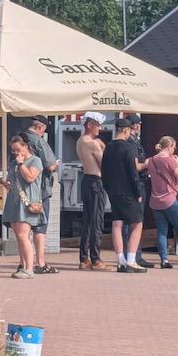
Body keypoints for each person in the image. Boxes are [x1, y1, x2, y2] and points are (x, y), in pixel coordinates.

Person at [101, 117, 145, 273]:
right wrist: (138, 192)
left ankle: (121, 261)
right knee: (137, 223)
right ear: (126, 130)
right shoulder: (128, 147)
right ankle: (131, 260)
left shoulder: (108, 147)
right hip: (127, 191)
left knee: (117, 224)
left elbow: (103, 170)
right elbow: (133, 172)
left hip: (113, 190)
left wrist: (107, 188)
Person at [147, 136, 178, 269]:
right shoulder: (170, 160)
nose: (175, 149)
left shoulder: (151, 160)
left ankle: (164, 260)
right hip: (170, 199)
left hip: (155, 200)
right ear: (169, 146)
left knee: (162, 231)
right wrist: (177, 162)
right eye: (174, 147)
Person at [21, 115, 59, 274]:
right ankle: (40, 263)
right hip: (39, 189)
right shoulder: (39, 141)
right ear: (41, 127)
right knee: (39, 227)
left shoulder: (19, 139)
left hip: (22, 190)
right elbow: (50, 166)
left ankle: (23, 263)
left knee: (23, 229)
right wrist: (56, 165)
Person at [1, 134, 43, 279]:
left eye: (18, 149)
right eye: (13, 150)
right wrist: (7, 184)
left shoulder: (35, 161)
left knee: (23, 236)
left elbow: (30, 177)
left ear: (26, 146)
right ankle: (23, 265)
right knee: (18, 237)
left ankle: (30, 268)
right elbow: (11, 179)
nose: (16, 153)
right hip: (14, 201)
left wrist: (21, 164)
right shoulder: (13, 163)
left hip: (27, 203)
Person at [75, 112, 107, 270]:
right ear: (89, 125)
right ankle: (96, 259)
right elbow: (105, 165)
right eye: (97, 125)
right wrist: (103, 147)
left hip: (86, 179)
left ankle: (84, 258)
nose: (99, 129)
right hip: (96, 181)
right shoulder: (93, 144)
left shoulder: (80, 141)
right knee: (97, 220)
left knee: (87, 220)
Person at [123, 114, 151, 268]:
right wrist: (147, 163)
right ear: (134, 125)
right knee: (134, 220)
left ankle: (136, 255)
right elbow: (134, 166)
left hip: (137, 182)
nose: (139, 126)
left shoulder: (134, 141)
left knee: (136, 220)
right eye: (138, 124)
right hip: (136, 184)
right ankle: (133, 255)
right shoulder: (131, 143)